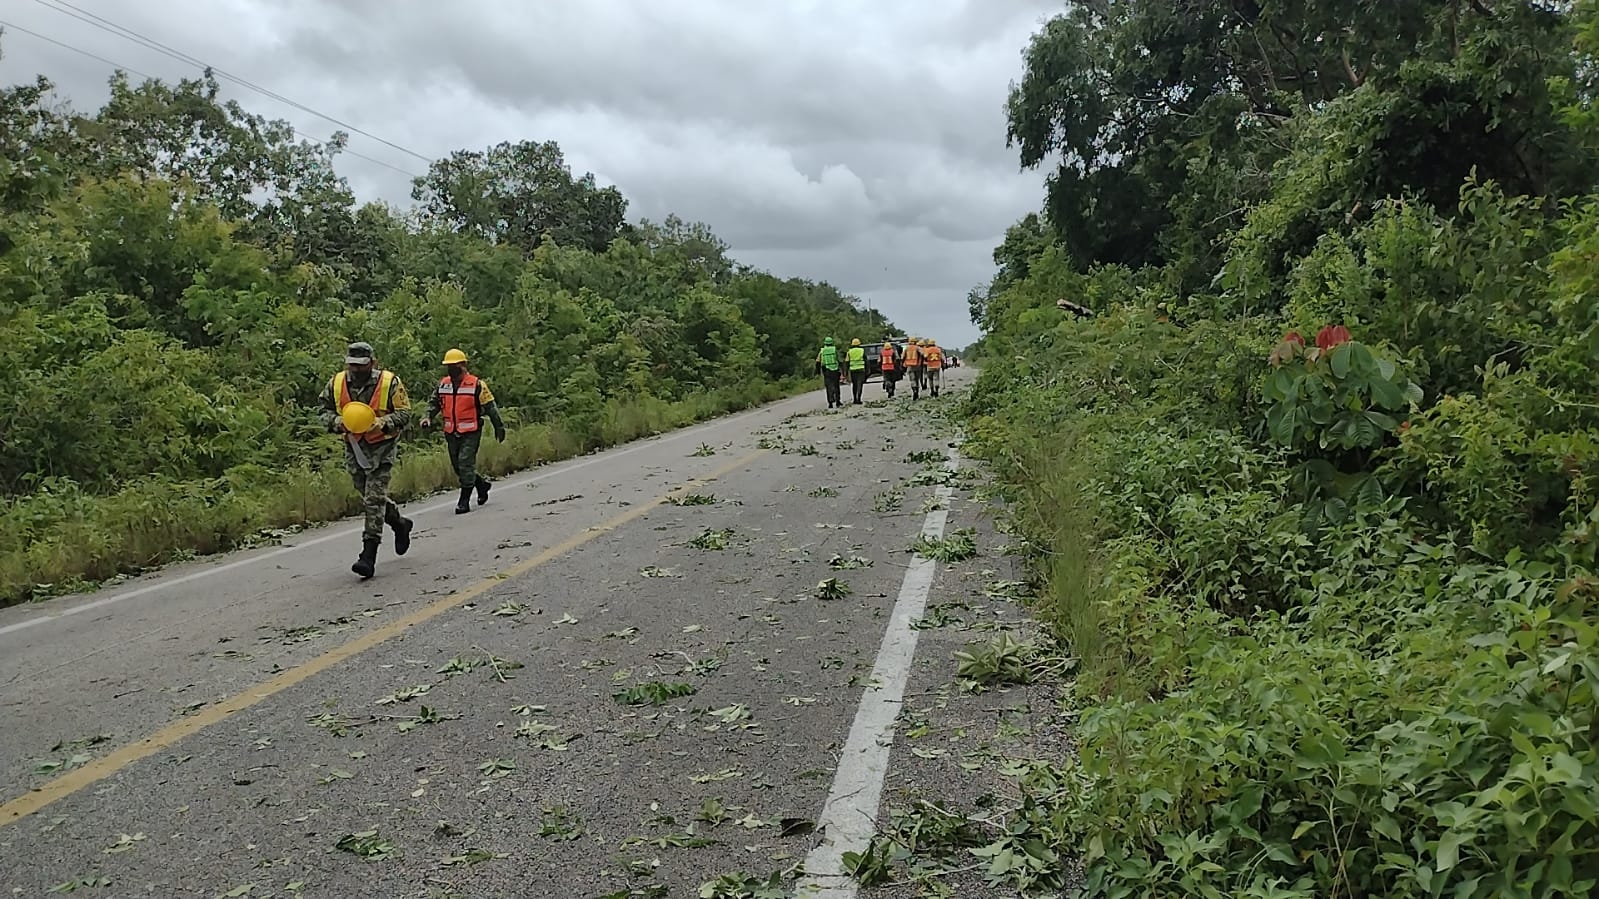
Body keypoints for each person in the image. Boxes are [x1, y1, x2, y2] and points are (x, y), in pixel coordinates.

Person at [319, 341, 414, 579]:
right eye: (352, 365)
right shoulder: (337, 383)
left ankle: (368, 555)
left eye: (361, 366)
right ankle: (399, 523)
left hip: (382, 446)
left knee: (373, 499)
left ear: (373, 363)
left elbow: (404, 413)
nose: (357, 370)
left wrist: (383, 422)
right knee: (370, 495)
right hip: (354, 446)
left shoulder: (389, 382)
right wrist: (336, 422)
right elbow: (322, 410)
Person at [421, 348, 507, 514]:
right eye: (449, 365)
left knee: (465, 463)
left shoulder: (477, 385)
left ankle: (464, 500)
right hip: (451, 432)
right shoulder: (443, 384)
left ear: (463, 365)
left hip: (471, 432)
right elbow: (434, 403)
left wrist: (499, 427)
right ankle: (482, 485)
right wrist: (427, 417)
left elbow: (491, 408)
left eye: (455, 365)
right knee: (458, 467)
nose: (451, 368)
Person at [816, 337, 844, 408]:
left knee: (829, 386)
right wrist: (842, 370)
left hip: (826, 370)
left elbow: (818, 361)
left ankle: (830, 403)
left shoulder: (822, 351)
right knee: (836, 386)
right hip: (835, 370)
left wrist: (818, 371)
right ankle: (838, 401)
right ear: (832, 343)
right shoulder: (834, 350)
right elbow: (839, 360)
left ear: (825, 343)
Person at [846, 338, 867, 405]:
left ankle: (855, 399)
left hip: (853, 370)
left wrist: (846, 371)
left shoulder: (849, 351)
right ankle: (859, 399)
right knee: (859, 384)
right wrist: (867, 369)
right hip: (861, 369)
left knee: (854, 385)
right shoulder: (862, 350)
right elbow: (866, 360)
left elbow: (847, 361)